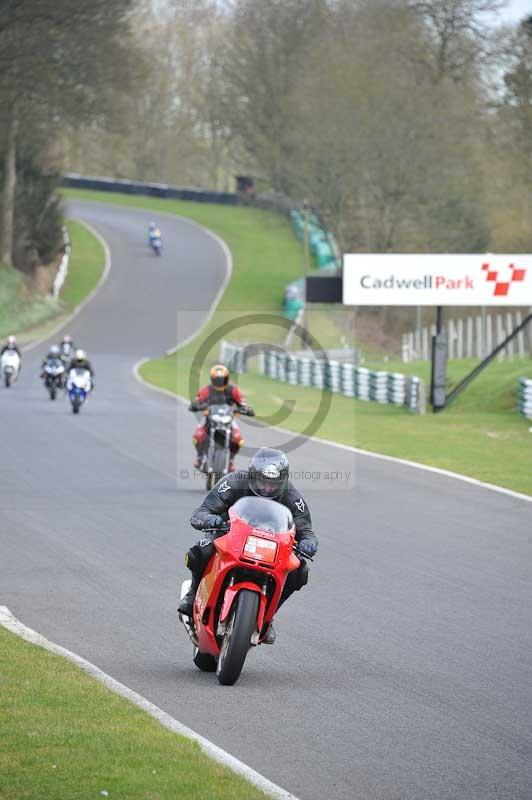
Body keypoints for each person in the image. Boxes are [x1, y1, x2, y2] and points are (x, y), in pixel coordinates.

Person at [177, 447, 318, 643]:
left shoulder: (293, 498)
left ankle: (269, 614)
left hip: (271, 547)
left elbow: (306, 530)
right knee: (199, 551)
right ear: (252, 475)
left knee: (300, 572)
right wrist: (210, 520)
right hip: (230, 536)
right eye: (263, 482)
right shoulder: (233, 482)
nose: (268, 489)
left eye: (274, 484)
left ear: (283, 481)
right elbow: (202, 511)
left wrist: (308, 543)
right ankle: (192, 594)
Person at [189, 364, 254, 472]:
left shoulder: (233, 390)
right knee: (198, 436)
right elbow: (196, 401)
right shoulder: (206, 390)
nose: (219, 382)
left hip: (228, 419)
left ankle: (231, 462)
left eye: (222, 379)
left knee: (238, 440)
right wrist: (197, 406)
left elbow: (242, 403)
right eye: (217, 379)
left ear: (227, 378)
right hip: (209, 418)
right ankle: (200, 457)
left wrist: (245, 409)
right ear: (212, 379)